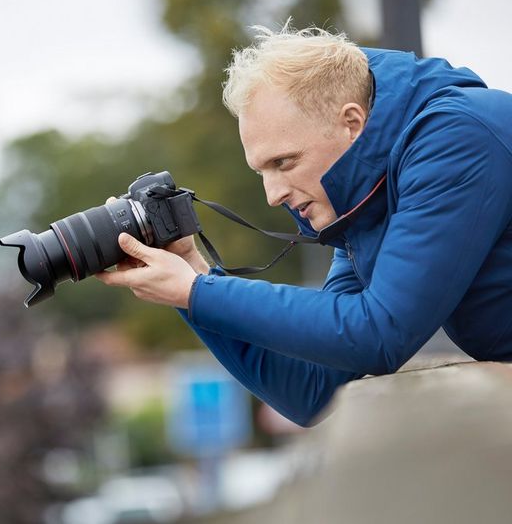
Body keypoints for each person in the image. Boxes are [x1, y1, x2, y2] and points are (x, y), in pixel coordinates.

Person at [95, 22, 512, 427]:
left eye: (284, 162)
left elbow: (380, 332)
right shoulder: (366, 194)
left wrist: (198, 292)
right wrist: (194, 274)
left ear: (352, 123)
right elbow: (311, 390)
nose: (273, 195)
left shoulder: (457, 138)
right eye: (262, 171)